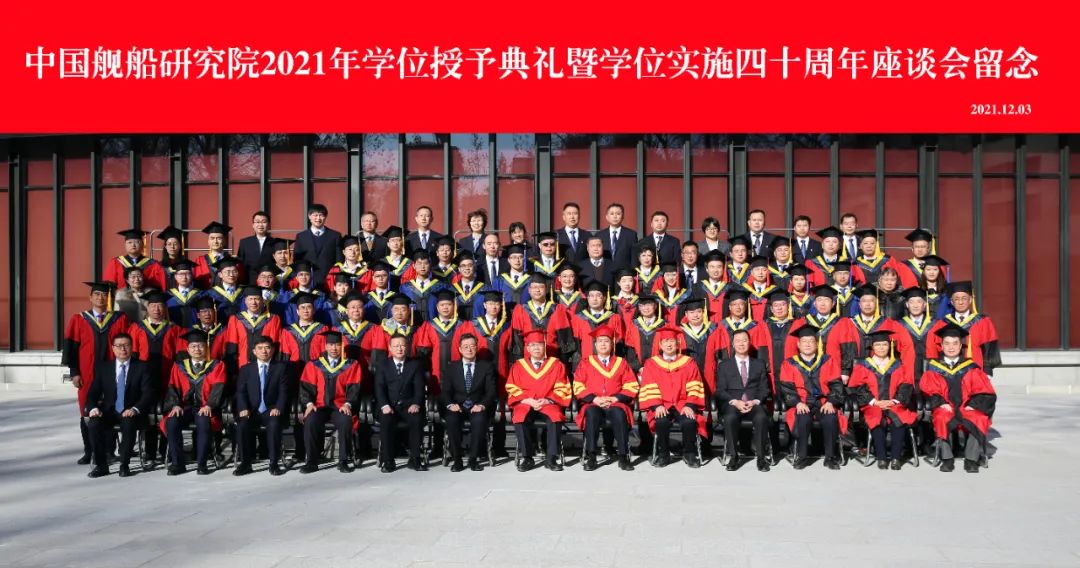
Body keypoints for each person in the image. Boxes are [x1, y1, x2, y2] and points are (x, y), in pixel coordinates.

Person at [64, 281, 130, 465]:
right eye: (97, 295)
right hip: (87, 374)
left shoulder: (119, 319)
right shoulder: (78, 319)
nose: (101, 298)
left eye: (104, 295)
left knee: (110, 408)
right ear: (90, 298)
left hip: (113, 374)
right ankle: (89, 451)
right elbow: (71, 348)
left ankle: (108, 451)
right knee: (87, 411)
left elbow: (126, 345)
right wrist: (74, 372)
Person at [920, 323, 997, 473]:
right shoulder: (933, 367)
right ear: (941, 345)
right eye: (947, 343)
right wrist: (940, 402)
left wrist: (973, 404)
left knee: (978, 417)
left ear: (961, 346)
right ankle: (947, 459)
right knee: (942, 417)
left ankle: (971, 459)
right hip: (946, 407)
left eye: (955, 343)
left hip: (966, 407)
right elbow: (927, 390)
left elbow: (985, 391)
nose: (951, 347)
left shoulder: (971, 367)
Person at [84, 333, 155, 478]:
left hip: (132, 411)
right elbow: (92, 393)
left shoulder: (142, 367)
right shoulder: (103, 368)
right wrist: (93, 408)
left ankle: (124, 465)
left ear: (132, 347)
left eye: (126, 345)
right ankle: (101, 465)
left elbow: (148, 393)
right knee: (94, 423)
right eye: (119, 346)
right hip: (109, 411)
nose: (123, 349)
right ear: (113, 348)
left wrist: (135, 409)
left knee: (129, 423)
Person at [778, 326, 848, 470]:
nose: (808, 344)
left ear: (817, 344)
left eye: (811, 341)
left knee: (830, 418)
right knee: (803, 419)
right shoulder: (789, 363)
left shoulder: (827, 360)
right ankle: (802, 456)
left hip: (823, 401)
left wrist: (830, 402)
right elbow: (786, 387)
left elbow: (836, 384)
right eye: (804, 341)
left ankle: (830, 457)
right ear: (798, 344)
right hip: (802, 402)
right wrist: (797, 403)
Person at [848, 330, 917, 470]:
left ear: (889, 346)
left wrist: (894, 401)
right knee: (876, 418)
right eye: (877, 345)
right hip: (872, 405)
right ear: (872, 347)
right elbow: (855, 387)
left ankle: (896, 458)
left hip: (894, 404)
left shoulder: (898, 364)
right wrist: (874, 402)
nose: (881, 348)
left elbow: (906, 385)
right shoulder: (863, 365)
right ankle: (881, 458)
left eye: (884, 344)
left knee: (898, 418)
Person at [638, 326, 706, 468]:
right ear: (660, 345)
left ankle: (689, 453)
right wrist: (657, 405)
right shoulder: (651, 363)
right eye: (665, 342)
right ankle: (663, 454)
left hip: (683, 403)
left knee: (689, 422)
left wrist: (690, 405)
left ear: (678, 344)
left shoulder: (689, 362)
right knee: (661, 422)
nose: (669, 345)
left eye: (672, 341)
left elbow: (695, 385)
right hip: (662, 404)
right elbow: (648, 386)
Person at [572, 326, 638, 471]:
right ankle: (591, 456)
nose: (603, 344)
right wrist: (594, 399)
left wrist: (615, 398)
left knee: (619, 414)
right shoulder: (585, 362)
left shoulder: (621, 362)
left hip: (615, 404)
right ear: (595, 345)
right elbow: (578, 385)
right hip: (593, 403)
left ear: (612, 344)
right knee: (591, 414)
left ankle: (623, 457)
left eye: (606, 341)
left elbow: (632, 385)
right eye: (600, 341)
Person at [161, 329, 227, 475]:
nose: (197, 349)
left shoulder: (217, 365)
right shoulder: (179, 366)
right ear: (188, 349)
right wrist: (175, 404)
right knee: (171, 422)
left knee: (204, 422)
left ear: (206, 347)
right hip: (184, 407)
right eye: (193, 346)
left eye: (201, 346)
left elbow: (219, 388)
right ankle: (178, 464)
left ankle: (202, 464)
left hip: (205, 407)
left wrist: (209, 405)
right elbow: (172, 386)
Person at [506, 329, 572, 471]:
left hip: (548, 403)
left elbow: (563, 387)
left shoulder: (556, 365)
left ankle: (551, 458)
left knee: (555, 416)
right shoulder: (518, 366)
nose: (536, 348)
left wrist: (548, 400)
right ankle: (527, 458)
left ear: (545, 346)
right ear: (527, 348)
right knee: (519, 416)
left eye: (540, 344)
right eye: (533, 345)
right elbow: (511, 387)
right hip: (526, 403)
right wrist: (527, 400)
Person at [299, 330, 363, 473]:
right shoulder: (314, 365)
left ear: (342, 346)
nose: (334, 348)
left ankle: (343, 461)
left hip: (339, 407)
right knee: (310, 421)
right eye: (331, 345)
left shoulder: (351, 365)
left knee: (346, 421)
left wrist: (348, 403)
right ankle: (311, 461)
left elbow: (354, 388)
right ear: (326, 346)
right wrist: (309, 404)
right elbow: (305, 387)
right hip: (319, 407)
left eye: (337, 345)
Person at [715, 329, 772, 472]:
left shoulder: (759, 364)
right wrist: (735, 401)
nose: (741, 344)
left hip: (753, 403)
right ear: (733, 344)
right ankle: (734, 457)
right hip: (733, 403)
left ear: (749, 343)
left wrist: (755, 401)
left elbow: (764, 389)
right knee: (730, 418)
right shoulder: (724, 365)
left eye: (744, 340)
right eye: (738, 341)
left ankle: (761, 458)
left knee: (761, 417)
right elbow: (720, 390)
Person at [439, 334, 497, 471]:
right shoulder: (451, 367)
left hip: (477, 406)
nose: (469, 349)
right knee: (451, 420)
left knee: (479, 420)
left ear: (477, 347)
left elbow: (491, 391)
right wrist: (450, 405)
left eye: (472, 346)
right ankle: (457, 459)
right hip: (457, 407)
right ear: (460, 349)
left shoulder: (486, 366)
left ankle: (473, 459)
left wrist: (482, 405)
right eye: (465, 347)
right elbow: (445, 391)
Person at [233, 335, 289, 476]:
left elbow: (284, 391)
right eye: (260, 348)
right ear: (254, 351)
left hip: (271, 410)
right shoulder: (246, 369)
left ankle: (274, 463)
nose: (264, 351)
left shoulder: (281, 368)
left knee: (274, 424)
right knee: (242, 425)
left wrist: (278, 407)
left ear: (273, 350)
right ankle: (245, 463)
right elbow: (241, 392)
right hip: (252, 411)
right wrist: (243, 408)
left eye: (267, 348)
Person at [375, 333, 428, 472]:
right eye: (396, 346)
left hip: (409, 406)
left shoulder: (415, 365)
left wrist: (416, 403)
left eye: (402, 345)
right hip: (389, 406)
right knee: (386, 420)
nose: (399, 349)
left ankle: (415, 459)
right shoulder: (383, 365)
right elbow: (379, 388)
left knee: (417, 419)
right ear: (390, 348)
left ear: (407, 347)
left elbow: (419, 388)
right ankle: (388, 460)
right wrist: (384, 405)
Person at [785, 286, 860, 383]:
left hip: (834, 372)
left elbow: (849, 348)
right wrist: (794, 369)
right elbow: (791, 348)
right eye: (819, 300)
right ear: (814, 303)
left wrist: (845, 371)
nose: (823, 303)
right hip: (806, 372)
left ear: (833, 304)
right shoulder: (802, 322)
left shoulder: (842, 323)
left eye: (826, 300)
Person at [926, 281, 1002, 376]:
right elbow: (934, 350)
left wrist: (987, 371)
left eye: (964, 298)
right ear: (951, 302)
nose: (960, 302)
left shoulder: (982, 322)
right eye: (956, 299)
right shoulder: (942, 323)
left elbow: (989, 348)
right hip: (948, 374)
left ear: (970, 300)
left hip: (976, 372)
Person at [224, 286, 284, 374]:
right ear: (245, 301)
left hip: (266, 367)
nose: (253, 302)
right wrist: (233, 370)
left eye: (257, 299)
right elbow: (232, 346)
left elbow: (275, 344)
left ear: (262, 301)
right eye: (250, 299)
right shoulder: (235, 319)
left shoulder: (273, 319)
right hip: (242, 366)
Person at [293, 203, 343, 283]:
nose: (318, 218)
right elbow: (297, 261)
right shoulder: (301, 237)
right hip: (308, 280)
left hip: (329, 279)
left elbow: (339, 260)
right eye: (315, 215)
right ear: (309, 216)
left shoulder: (335, 236)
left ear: (325, 217)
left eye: (321, 215)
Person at [103, 228, 167, 291]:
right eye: (129, 242)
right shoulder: (116, 262)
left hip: (146, 297)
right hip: (122, 297)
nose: (133, 245)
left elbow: (160, 286)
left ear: (142, 245)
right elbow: (109, 285)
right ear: (125, 245)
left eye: (137, 242)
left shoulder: (153, 264)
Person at [193, 221, 241, 289]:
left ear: (224, 241)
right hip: (205, 294)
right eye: (212, 238)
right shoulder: (199, 260)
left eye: (219, 238)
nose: (215, 241)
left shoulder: (233, 260)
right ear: (208, 242)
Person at [236, 211, 279, 285]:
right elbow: (240, 263)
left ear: (269, 224)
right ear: (253, 225)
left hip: (268, 282)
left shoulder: (275, 242)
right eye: (257, 222)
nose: (260, 225)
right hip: (249, 281)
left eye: (264, 222)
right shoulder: (244, 242)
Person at [599, 202, 638, 273]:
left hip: (624, 274)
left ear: (623, 216)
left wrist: (631, 273)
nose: (615, 216)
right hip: (604, 273)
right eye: (612, 214)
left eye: (618, 214)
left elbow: (634, 257)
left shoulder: (631, 235)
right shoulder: (600, 235)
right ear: (607, 217)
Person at [165, 259, 201, 328]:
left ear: (192, 275)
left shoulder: (200, 294)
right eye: (181, 274)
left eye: (187, 274)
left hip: (195, 332)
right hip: (175, 331)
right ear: (175, 276)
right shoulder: (168, 295)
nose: (184, 277)